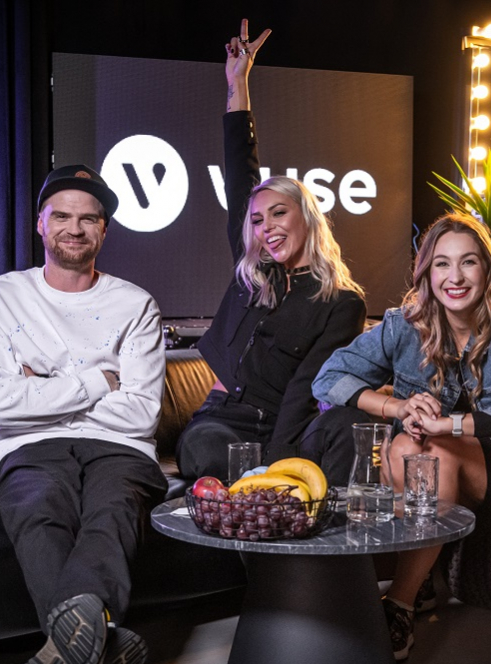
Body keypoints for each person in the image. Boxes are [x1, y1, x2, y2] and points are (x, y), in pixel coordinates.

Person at [0, 164, 167, 664]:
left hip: (119, 448)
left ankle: (74, 655)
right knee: (39, 510)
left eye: (88, 219)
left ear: (104, 230)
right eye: (62, 216)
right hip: (29, 446)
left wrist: (45, 388)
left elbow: (141, 413)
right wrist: (99, 381)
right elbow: (1, 405)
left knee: (113, 512)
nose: (74, 228)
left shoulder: (135, 304)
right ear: (40, 224)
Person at [313, 211, 491, 659]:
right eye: (442, 263)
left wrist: (452, 424)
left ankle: (400, 602)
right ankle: (418, 580)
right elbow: (327, 379)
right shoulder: (404, 324)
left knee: (432, 449)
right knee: (409, 444)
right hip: (415, 461)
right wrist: (398, 407)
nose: (455, 277)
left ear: (487, 269)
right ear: (427, 272)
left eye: (468, 262)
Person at [176, 20, 369, 488]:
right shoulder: (253, 272)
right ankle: (265, 491)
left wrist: (280, 463)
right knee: (205, 448)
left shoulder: (342, 303)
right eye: (258, 220)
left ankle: (296, 507)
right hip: (224, 419)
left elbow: (305, 389)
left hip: (290, 427)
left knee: (347, 426)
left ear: (307, 216)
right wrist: (237, 83)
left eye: (279, 213)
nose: (268, 229)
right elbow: (240, 168)